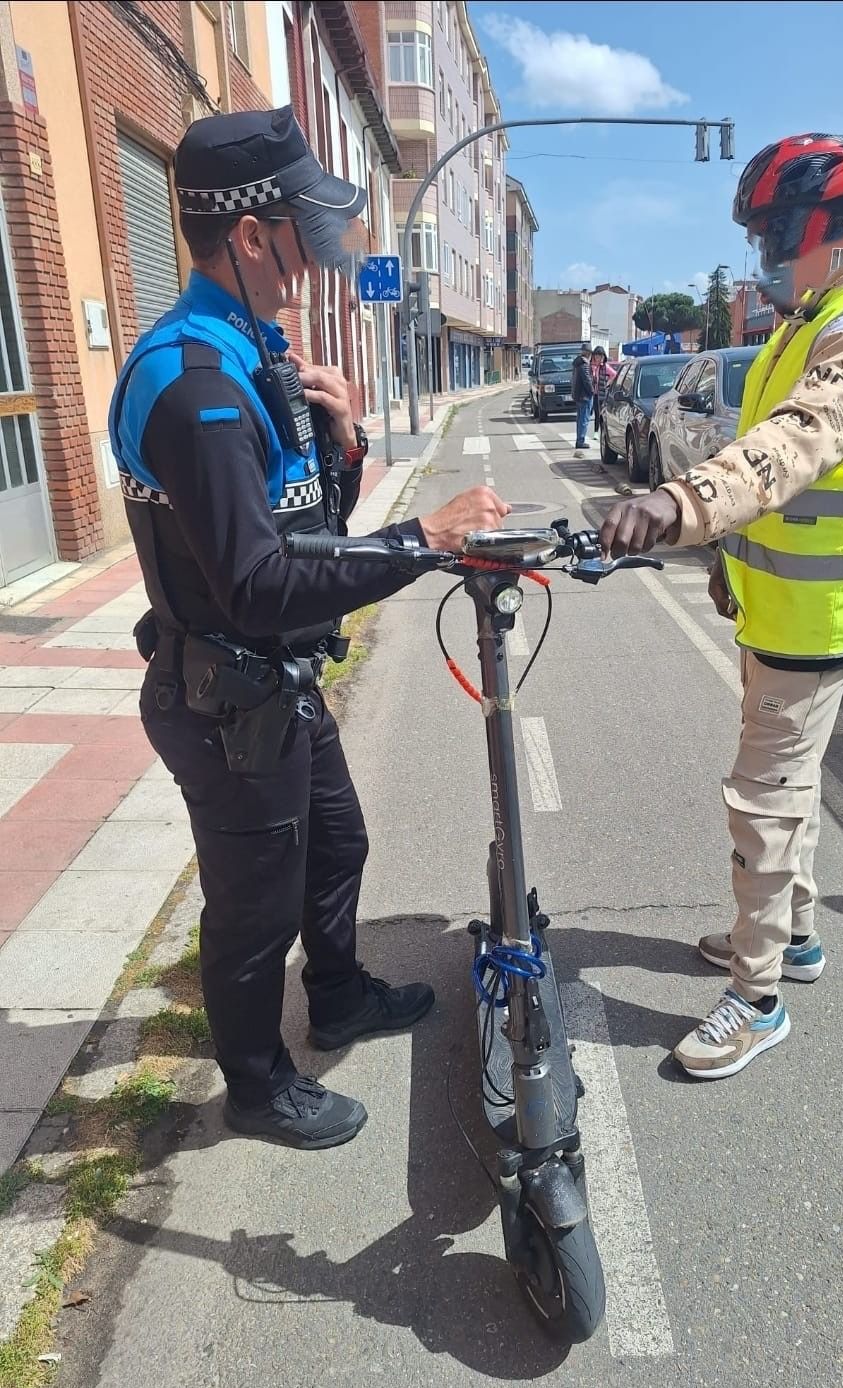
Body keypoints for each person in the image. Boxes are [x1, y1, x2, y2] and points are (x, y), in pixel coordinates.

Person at [109, 106, 509, 1149]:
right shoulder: (193, 382)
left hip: (276, 686)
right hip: (228, 696)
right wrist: (422, 539)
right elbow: (254, 583)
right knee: (250, 911)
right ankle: (255, 1085)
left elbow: (305, 529)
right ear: (249, 234)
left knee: (337, 841)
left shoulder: (252, 350)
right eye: (300, 233)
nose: (314, 261)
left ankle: (334, 993)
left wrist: (343, 446)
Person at [599, 133, 843, 1080]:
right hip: (779, 612)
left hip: (821, 625)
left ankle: (760, 996)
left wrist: (677, 504)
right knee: (792, 789)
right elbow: (782, 494)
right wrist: (729, 560)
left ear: (826, 229)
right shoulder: (802, 322)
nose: (763, 257)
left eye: (773, 233)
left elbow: (796, 445)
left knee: (763, 801)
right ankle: (799, 941)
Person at [571, 342, 594, 450]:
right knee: (584, 419)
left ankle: (579, 439)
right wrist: (592, 391)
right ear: (588, 353)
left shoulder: (577, 363)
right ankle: (580, 440)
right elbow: (587, 380)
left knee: (580, 419)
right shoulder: (584, 364)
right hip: (585, 396)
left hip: (578, 395)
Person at [590, 346, 615, 434]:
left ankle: (599, 431)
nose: (598, 358)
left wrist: (607, 383)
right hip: (591, 393)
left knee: (600, 413)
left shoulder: (605, 367)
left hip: (600, 393)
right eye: (596, 356)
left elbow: (614, 374)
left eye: (600, 356)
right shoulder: (591, 366)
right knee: (593, 413)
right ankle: (596, 431)